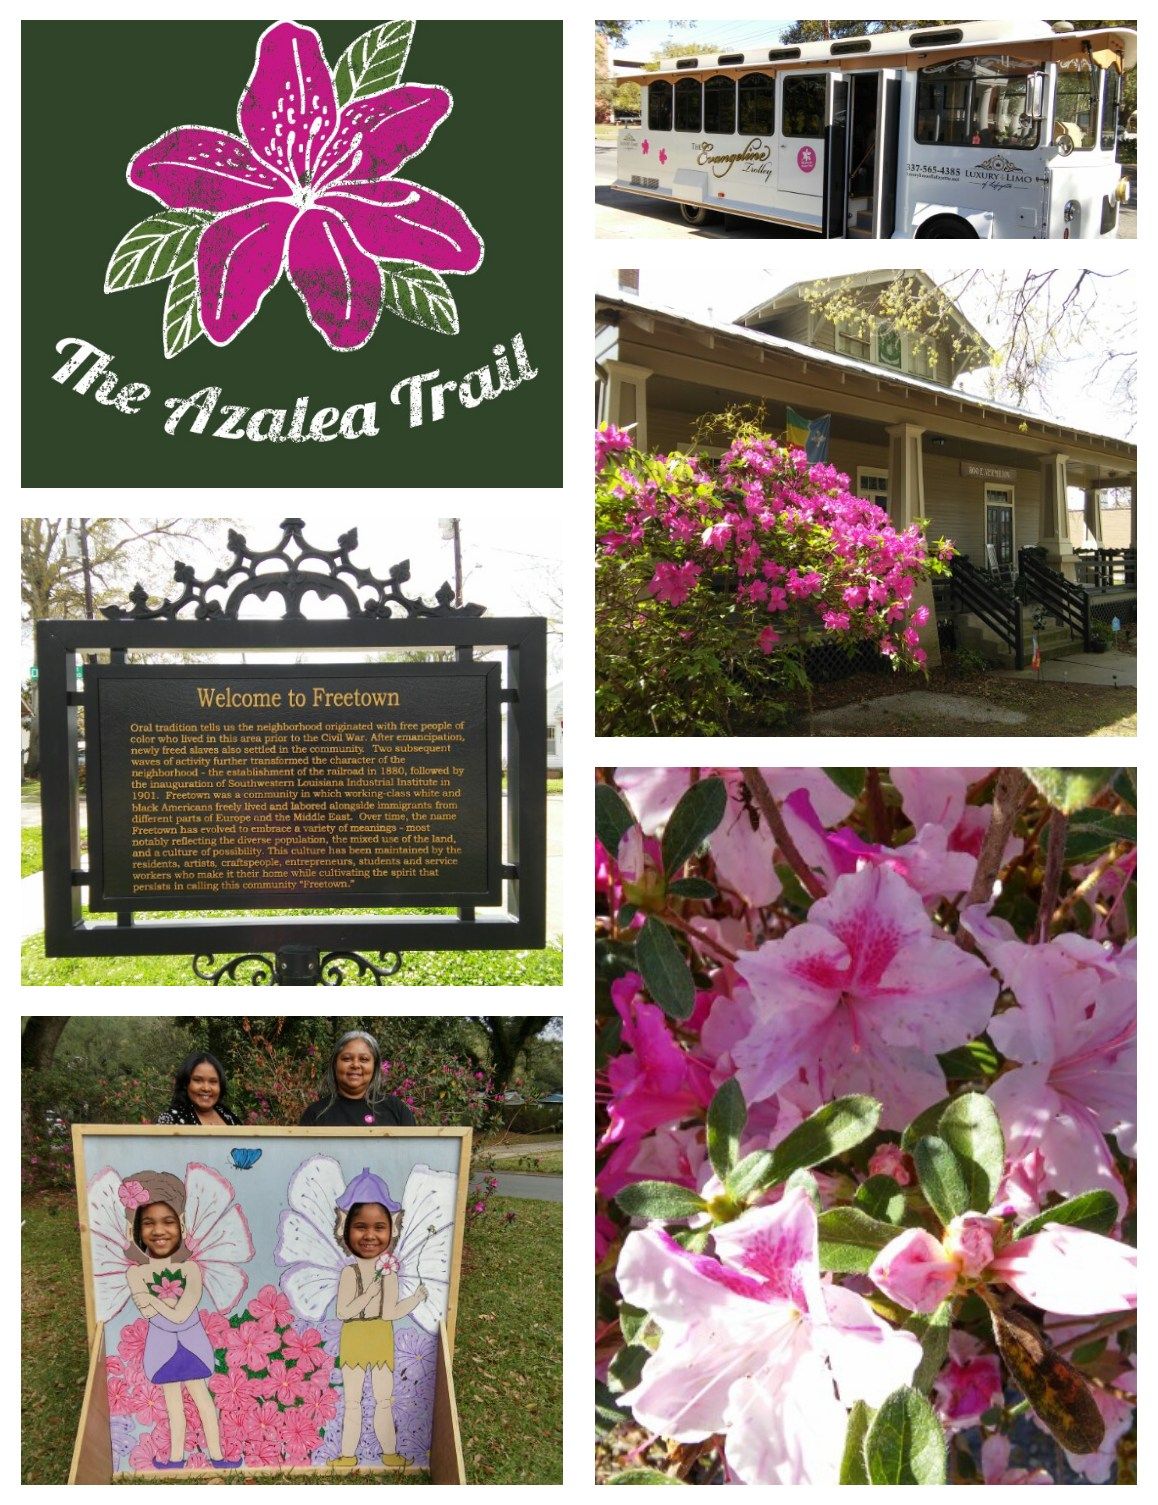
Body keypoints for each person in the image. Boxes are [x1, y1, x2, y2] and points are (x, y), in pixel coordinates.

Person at [121, 1170, 241, 1469]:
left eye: (168, 1221)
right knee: (173, 1405)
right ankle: (175, 1459)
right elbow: (148, 1310)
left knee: (203, 1400)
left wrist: (155, 1300)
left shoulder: (190, 1270)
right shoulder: (135, 1273)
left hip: (191, 1345)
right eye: (148, 1223)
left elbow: (181, 1312)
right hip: (162, 1349)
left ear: (182, 1225)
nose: (159, 1231)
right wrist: (164, 1302)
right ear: (135, 1230)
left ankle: (217, 1455)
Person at [331, 1169, 427, 1468]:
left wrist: (416, 1299)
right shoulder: (350, 1272)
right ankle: (348, 1456)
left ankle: (388, 1453)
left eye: (379, 1227)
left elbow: (390, 1311)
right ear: (345, 1230)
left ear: (392, 1229)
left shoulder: (390, 1270)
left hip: (381, 1335)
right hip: (355, 1337)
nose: (370, 1235)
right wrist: (368, 1293)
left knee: (384, 1400)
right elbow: (343, 1312)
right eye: (360, 1227)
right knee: (354, 1402)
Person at [298, 1031, 416, 1127]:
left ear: (374, 1066)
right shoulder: (315, 1113)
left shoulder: (395, 1109)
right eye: (347, 1059)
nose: (355, 1065)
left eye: (364, 1059)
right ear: (335, 1064)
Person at [156, 1051, 240, 1126]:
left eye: (213, 1081)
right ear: (186, 1083)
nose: (206, 1088)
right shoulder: (170, 1120)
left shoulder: (230, 1117)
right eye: (198, 1080)